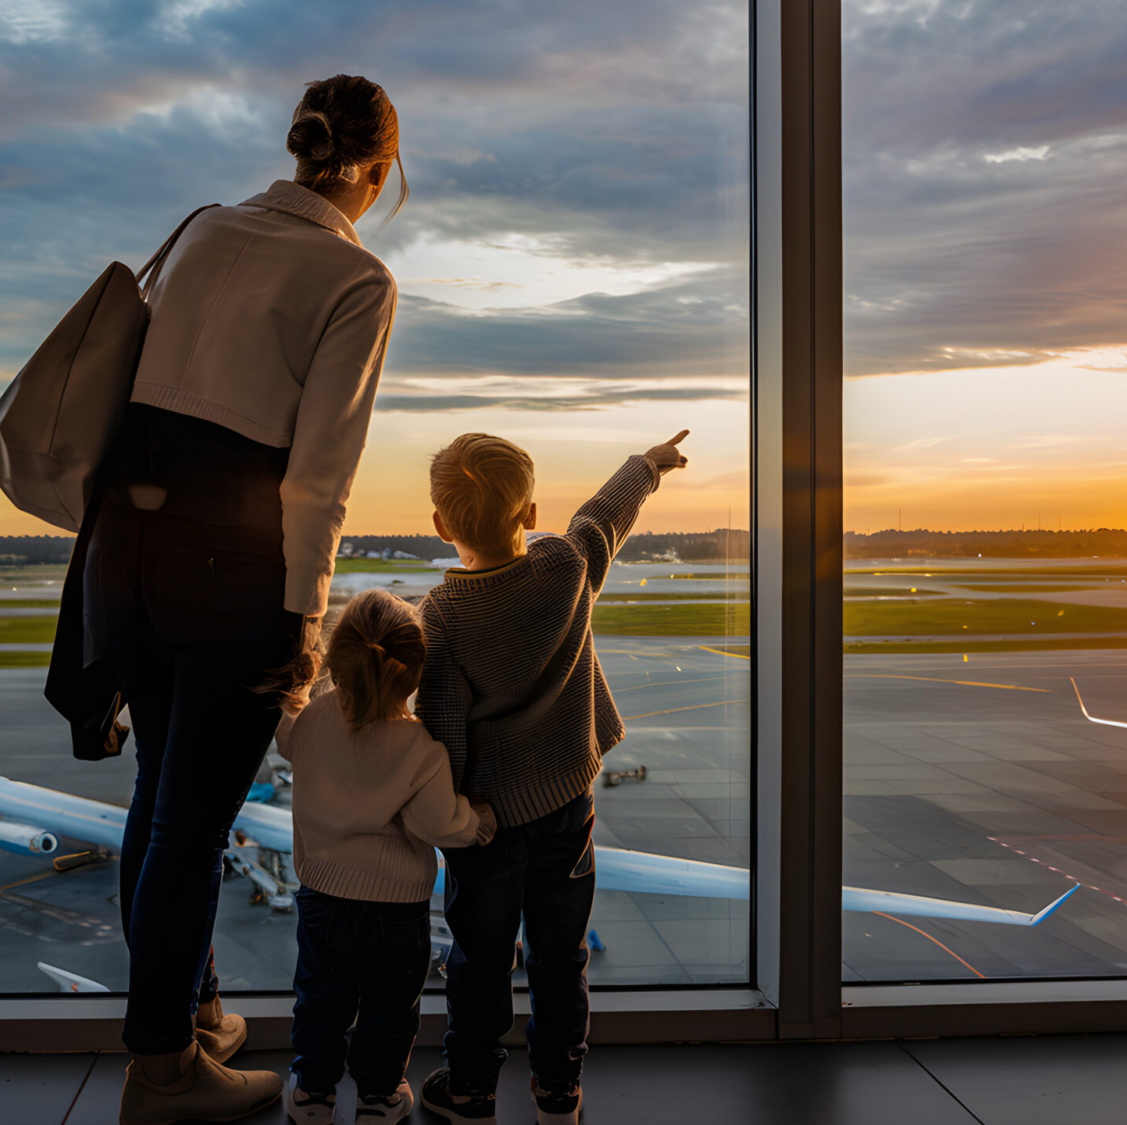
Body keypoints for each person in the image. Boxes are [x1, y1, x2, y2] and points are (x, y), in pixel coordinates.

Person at [89, 74, 407, 1125]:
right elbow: (320, 474)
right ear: (380, 169)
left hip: (124, 549)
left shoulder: (200, 233)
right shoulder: (354, 277)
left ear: (297, 143)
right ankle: (163, 1073)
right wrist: (305, 619)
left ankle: (193, 1017)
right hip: (228, 567)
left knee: (156, 802)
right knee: (189, 826)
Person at [413, 430, 691, 1125]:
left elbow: (442, 730)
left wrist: (450, 815)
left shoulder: (441, 616)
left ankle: (473, 1089)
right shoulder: (564, 566)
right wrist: (647, 465)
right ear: (530, 513)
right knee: (560, 954)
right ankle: (559, 1091)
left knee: (479, 959)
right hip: (568, 806)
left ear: (441, 524)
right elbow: (602, 518)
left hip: (484, 823)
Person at [278, 588, 496, 1125]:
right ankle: (378, 1097)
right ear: (415, 675)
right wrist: (480, 822)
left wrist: (298, 687)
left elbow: (287, 735)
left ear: (339, 660)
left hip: (322, 898)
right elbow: (438, 824)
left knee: (320, 999)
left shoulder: (312, 722)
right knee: (389, 1008)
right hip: (396, 910)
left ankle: (312, 1095)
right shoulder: (420, 747)